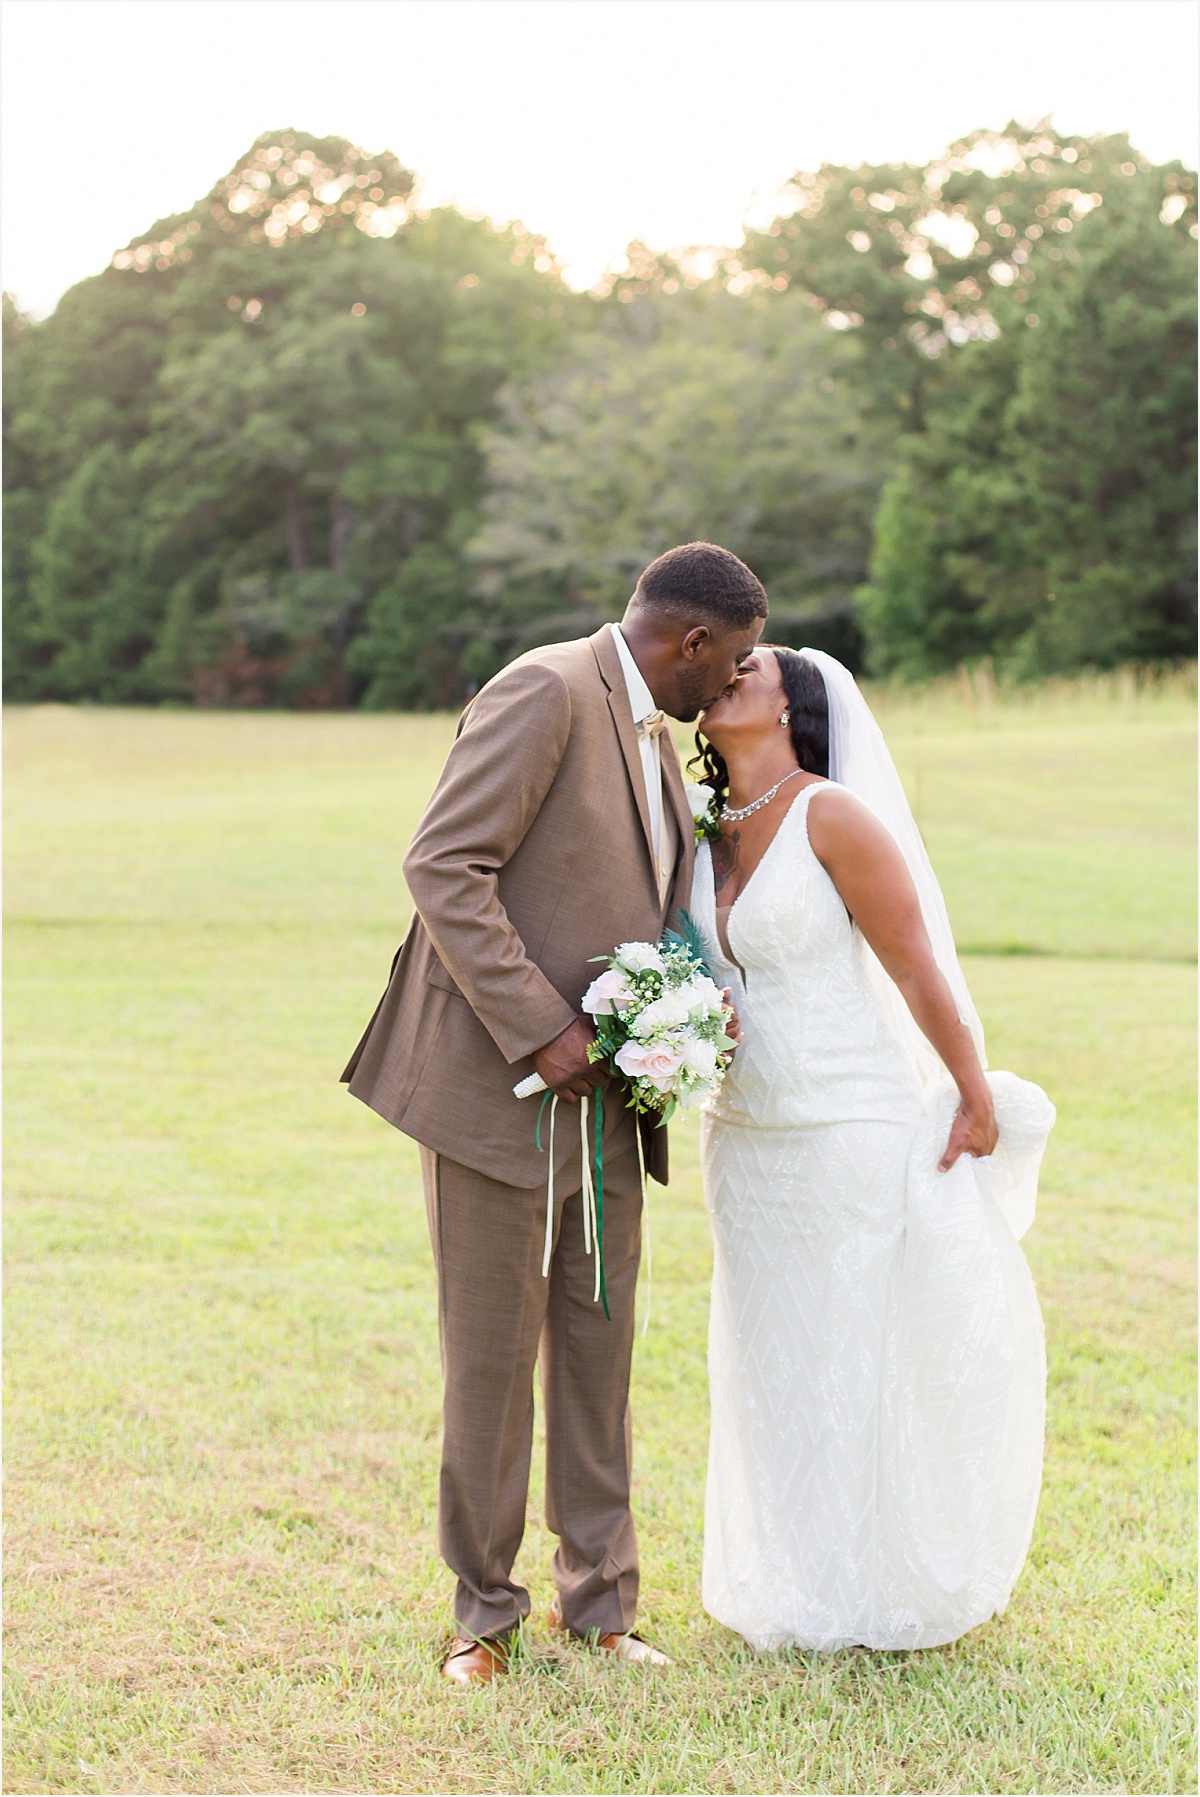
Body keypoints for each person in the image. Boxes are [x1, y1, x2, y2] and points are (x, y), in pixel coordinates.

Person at [343, 543, 766, 1684]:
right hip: (500, 1096)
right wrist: (540, 1025)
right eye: (724, 667)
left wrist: (674, 1014)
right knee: (490, 1362)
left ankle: (603, 1607)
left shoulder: (659, 739)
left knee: (599, 1349)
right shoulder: (545, 689)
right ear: (687, 642)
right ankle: (483, 1618)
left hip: (614, 1107)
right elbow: (443, 866)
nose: (727, 689)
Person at [691, 645, 1054, 1652]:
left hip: (847, 1128)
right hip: (744, 1142)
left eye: (750, 664)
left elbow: (916, 969)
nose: (727, 671)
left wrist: (974, 1096)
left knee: (851, 1356)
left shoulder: (832, 817)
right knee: (771, 1363)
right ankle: (791, 1583)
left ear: (794, 707)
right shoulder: (702, 828)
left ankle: (867, 1589)